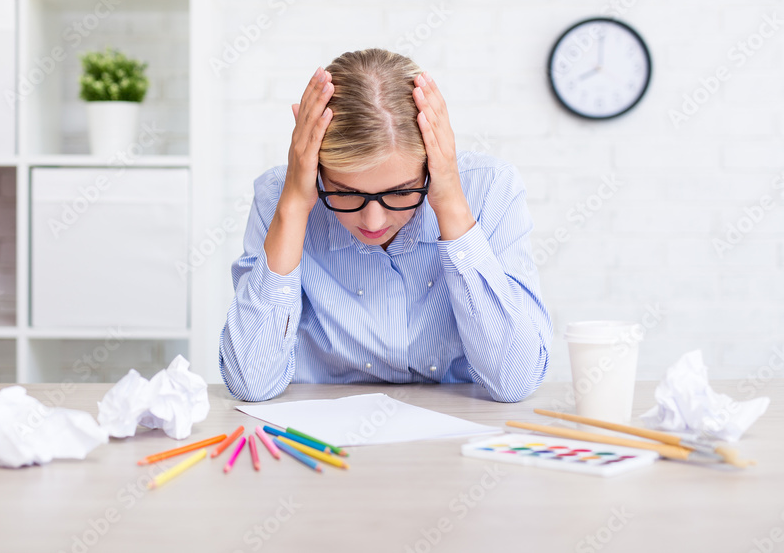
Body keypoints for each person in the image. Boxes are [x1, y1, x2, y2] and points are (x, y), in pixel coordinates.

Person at [219, 48, 552, 402]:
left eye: (400, 192)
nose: (372, 221)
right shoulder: (280, 197)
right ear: (316, 170)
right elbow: (250, 383)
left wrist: (451, 202)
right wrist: (294, 207)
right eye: (346, 193)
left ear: (430, 166)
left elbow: (516, 381)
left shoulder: (489, 189)